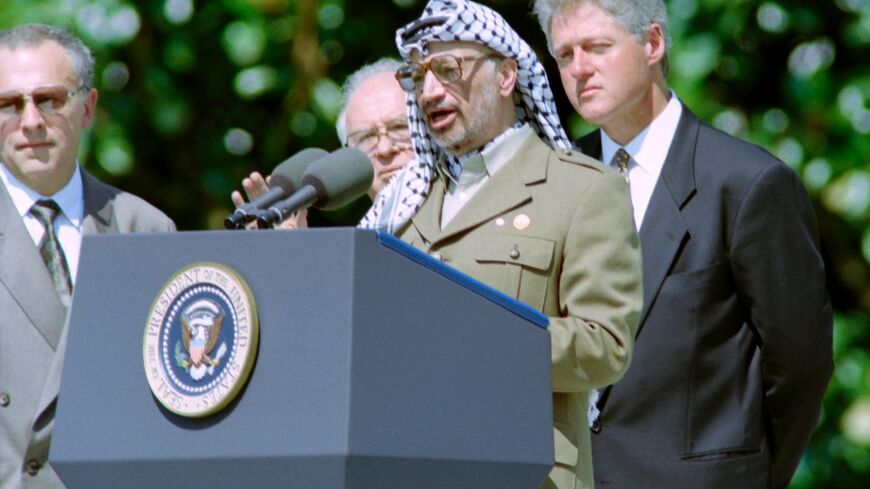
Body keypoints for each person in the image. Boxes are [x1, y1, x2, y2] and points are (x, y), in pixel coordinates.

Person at [532, 1, 834, 488]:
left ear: (652, 44)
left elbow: (801, 366)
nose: (579, 68)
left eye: (597, 47)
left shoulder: (747, 184)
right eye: (565, 55)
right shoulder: (554, 178)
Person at [359, 1, 642, 488]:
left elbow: (605, 344)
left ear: (507, 76)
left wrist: (475, 336)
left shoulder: (583, 190)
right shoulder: (405, 203)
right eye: (418, 75)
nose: (429, 92)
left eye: (448, 69)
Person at [0, 23, 175, 488]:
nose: (31, 121)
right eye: (8, 105)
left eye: (50, 100)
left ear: (89, 108)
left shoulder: (146, 230)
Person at [230, 57, 414, 224]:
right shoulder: (363, 240)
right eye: (366, 138)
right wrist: (290, 253)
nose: (384, 149)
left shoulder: (443, 219)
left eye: (400, 128)